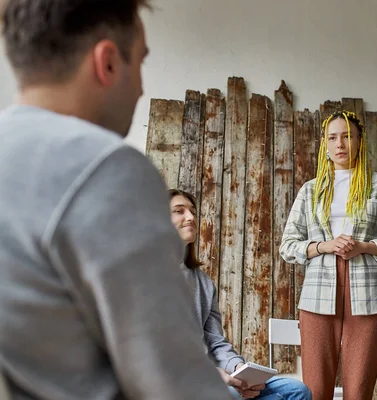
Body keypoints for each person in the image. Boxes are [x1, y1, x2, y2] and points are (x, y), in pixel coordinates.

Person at [0, 1, 231, 399]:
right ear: (106, 62)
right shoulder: (106, 169)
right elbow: (176, 384)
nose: (141, 86)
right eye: (140, 62)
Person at [279, 111, 377, 400]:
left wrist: (364, 247)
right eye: (333, 137)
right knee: (315, 390)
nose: (340, 144)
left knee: (359, 391)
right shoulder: (310, 190)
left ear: (360, 141)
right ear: (325, 144)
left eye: (348, 136)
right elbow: (288, 246)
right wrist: (324, 246)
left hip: (370, 292)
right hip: (317, 293)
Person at [168, 189, 312, 400]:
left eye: (192, 211)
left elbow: (216, 341)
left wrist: (238, 368)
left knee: (296, 391)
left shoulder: (204, 284)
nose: (190, 217)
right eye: (179, 211)